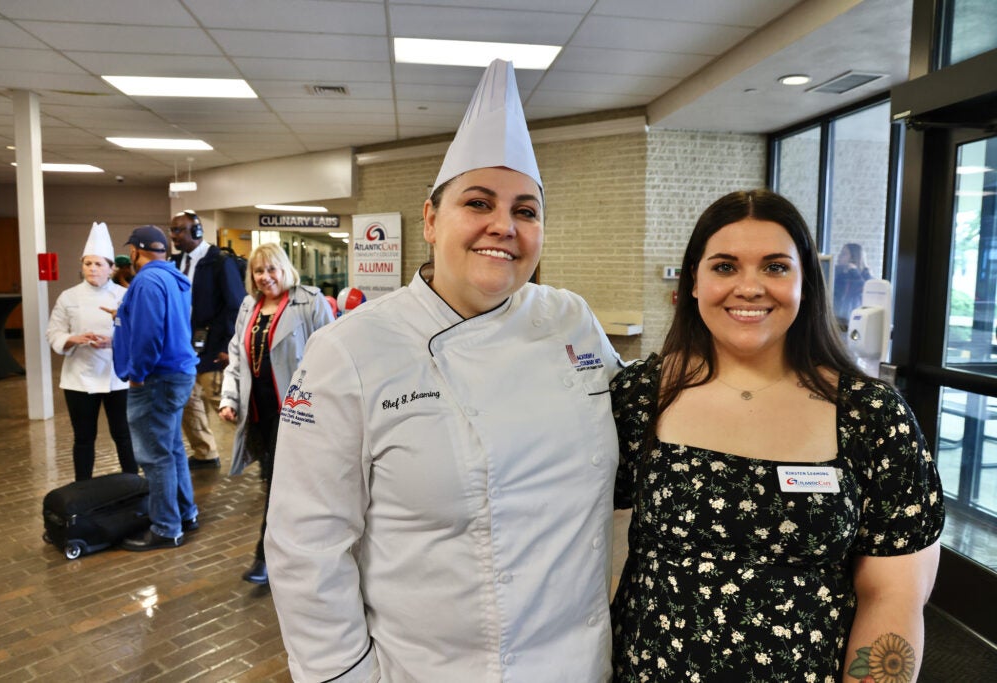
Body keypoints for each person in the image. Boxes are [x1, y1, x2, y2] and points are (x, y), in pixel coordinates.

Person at [265, 58, 624, 681]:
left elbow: (643, 418)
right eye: (478, 202)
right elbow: (306, 548)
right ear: (430, 221)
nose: (503, 226)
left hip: (580, 659)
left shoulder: (569, 318)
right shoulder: (348, 351)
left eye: (526, 210)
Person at [610, 190, 944, 682]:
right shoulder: (641, 396)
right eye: (724, 267)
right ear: (693, 284)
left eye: (775, 267)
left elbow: (893, 595)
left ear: (806, 283)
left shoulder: (871, 416)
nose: (749, 287)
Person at [217, 242, 334, 585]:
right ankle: (291, 550)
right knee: (275, 483)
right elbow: (237, 357)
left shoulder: (309, 301)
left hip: (296, 413)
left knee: (280, 488)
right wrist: (229, 400)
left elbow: (330, 357)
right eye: (258, 271)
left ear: (285, 269)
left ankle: (264, 557)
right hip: (259, 413)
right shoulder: (248, 307)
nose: (265, 277)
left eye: (271, 269)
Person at [113, 225, 200, 551]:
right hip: (178, 373)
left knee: (155, 455)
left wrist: (138, 373)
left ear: (135, 251)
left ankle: (166, 527)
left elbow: (150, 336)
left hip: (157, 377)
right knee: (172, 447)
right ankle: (185, 512)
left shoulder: (147, 280)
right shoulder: (174, 278)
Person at [46, 222, 135, 481]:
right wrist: (74, 339)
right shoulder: (68, 296)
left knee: (123, 433)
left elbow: (136, 333)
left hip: (116, 376)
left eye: (98, 264)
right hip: (79, 378)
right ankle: (82, 487)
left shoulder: (123, 295)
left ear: (111, 268)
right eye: (88, 264)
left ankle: (133, 483)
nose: (93, 269)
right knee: (83, 438)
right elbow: (54, 331)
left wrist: (113, 342)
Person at [169, 209, 247, 470]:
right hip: (183, 348)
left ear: (197, 231)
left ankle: (269, 448)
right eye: (172, 230)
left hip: (214, 348)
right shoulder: (175, 262)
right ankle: (205, 452)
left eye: (179, 230)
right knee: (188, 402)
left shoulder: (218, 262)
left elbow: (235, 306)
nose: (174, 235)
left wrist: (227, 346)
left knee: (224, 405)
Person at [833, 242, 872, 325]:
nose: (839, 256)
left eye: (843, 254)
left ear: (853, 258)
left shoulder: (864, 276)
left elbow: (863, 290)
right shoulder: (840, 275)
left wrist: (854, 271)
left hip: (856, 321)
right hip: (839, 320)